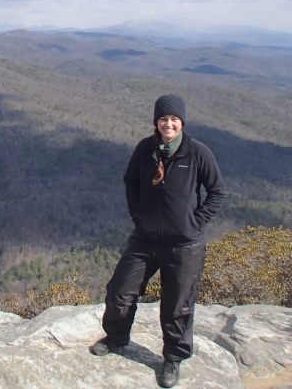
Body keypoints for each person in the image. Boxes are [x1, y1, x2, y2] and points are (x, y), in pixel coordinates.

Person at [89, 94, 225, 388]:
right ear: (156, 121)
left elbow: (217, 192)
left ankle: (173, 359)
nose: (168, 124)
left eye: (174, 119)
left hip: (184, 245)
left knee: (177, 306)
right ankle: (116, 337)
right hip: (145, 239)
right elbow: (130, 182)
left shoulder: (197, 153)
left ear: (182, 122)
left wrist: (195, 223)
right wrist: (138, 215)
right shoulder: (144, 150)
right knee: (120, 291)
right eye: (163, 119)